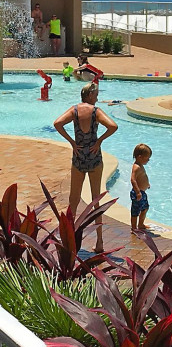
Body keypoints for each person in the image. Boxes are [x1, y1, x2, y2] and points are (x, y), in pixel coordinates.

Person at [53, 82, 119, 252]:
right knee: (96, 200)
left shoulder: (74, 111)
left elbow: (57, 123)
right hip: (94, 157)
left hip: (79, 156)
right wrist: (99, 140)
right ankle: (99, 242)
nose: (97, 98)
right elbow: (113, 126)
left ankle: (69, 239)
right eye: (95, 95)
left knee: (73, 200)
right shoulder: (96, 111)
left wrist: (72, 142)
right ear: (89, 96)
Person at [130, 144, 152, 231]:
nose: (148, 160)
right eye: (147, 158)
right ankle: (134, 227)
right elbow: (133, 180)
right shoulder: (136, 167)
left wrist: (147, 184)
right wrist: (138, 192)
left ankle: (141, 224)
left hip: (142, 192)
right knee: (135, 211)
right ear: (140, 157)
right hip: (137, 193)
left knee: (145, 208)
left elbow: (142, 177)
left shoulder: (140, 165)